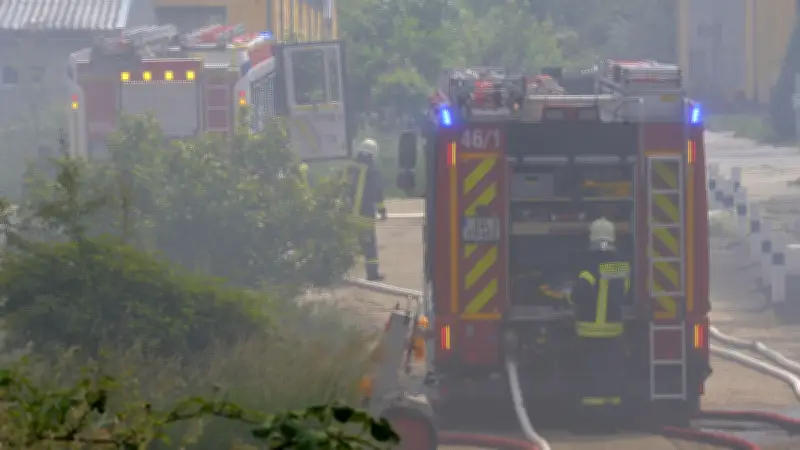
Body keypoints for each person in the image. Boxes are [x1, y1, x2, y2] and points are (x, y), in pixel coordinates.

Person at [566, 217, 631, 422]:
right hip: (614, 330)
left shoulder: (588, 265)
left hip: (589, 330)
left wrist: (567, 294)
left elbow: (579, 294)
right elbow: (626, 291)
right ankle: (612, 415)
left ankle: (589, 418)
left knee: (590, 375)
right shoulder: (621, 264)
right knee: (611, 372)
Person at [344, 138, 388, 281]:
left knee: (348, 244)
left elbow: (343, 187)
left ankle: (341, 274)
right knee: (369, 245)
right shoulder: (373, 171)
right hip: (365, 214)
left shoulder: (350, 168)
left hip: (348, 213)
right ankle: (372, 274)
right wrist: (382, 210)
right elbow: (377, 193)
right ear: (373, 154)